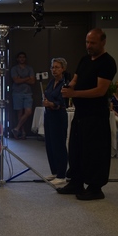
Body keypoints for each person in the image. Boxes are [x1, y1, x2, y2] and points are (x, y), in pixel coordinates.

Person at [58, 28, 117, 201]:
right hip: (81, 113)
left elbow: (100, 90)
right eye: (87, 42)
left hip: (96, 115)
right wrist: (69, 87)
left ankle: (95, 188)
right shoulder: (84, 59)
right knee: (76, 149)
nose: (89, 46)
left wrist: (74, 94)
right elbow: (75, 80)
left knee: (94, 152)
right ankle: (76, 181)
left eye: (93, 43)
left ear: (103, 42)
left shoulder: (107, 62)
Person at [42, 58, 69, 186]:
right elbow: (47, 95)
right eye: (52, 67)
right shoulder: (51, 82)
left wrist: (52, 104)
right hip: (49, 115)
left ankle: (62, 175)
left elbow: (63, 101)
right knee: (50, 144)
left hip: (59, 116)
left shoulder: (65, 83)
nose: (54, 70)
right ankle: (54, 171)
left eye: (57, 67)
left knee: (59, 145)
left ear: (63, 69)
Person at [10, 51, 35, 139]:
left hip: (28, 93)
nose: (22, 59)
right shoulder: (14, 69)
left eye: (23, 57)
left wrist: (21, 79)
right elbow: (16, 81)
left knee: (28, 112)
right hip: (17, 93)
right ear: (17, 59)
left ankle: (16, 128)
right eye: (20, 57)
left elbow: (33, 81)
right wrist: (28, 78)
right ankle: (22, 132)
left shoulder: (29, 69)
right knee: (19, 113)